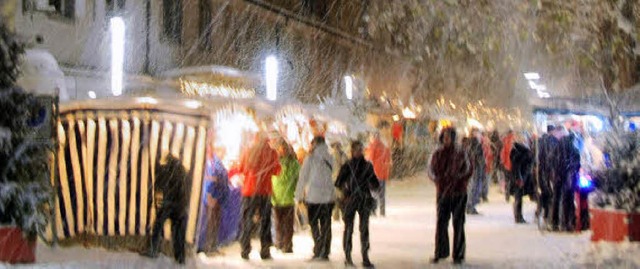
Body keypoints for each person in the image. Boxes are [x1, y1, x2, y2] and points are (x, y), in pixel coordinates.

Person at [429, 127, 473, 265]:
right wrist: (439, 181)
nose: (446, 140)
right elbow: (431, 170)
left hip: (458, 193)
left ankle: (458, 254)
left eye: (448, 137)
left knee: (458, 223)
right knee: (441, 223)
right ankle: (440, 251)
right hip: (443, 193)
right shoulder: (437, 153)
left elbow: (469, 169)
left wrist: (458, 179)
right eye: (444, 137)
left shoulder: (461, 153)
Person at [335, 141, 380, 268]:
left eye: (360, 150)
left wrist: (348, 188)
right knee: (351, 228)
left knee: (362, 229)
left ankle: (364, 256)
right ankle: (349, 256)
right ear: (352, 151)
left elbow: (375, 184)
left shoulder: (356, 166)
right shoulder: (351, 166)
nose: (359, 152)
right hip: (354, 200)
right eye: (357, 150)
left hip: (359, 200)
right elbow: (338, 182)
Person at [238, 133, 282, 260]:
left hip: (249, 191)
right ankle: (265, 250)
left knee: (247, 220)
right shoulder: (271, 153)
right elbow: (277, 171)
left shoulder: (248, 151)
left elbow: (241, 169)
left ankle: (245, 249)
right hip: (265, 191)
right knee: (265, 221)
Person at [142, 155, 190, 264]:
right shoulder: (182, 171)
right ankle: (180, 257)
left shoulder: (166, 171)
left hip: (169, 204)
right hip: (180, 206)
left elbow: (160, 185)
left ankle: (153, 249)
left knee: (158, 226)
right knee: (178, 233)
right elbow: (185, 190)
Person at [295, 136, 336, 261]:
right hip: (328, 197)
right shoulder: (330, 156)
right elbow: (334, 173)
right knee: (326, 224)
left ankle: (318, 247)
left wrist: (299, 195)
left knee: (313, 224)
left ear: (314, 144)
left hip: (314, 197)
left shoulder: (310, 158)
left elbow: (303, 177)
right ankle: (325, 251)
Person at [196, 142, 229, 255]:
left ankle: (211, 246)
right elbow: (211, 180)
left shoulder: (215, 163)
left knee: (213, 223)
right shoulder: (210, 163)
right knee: (210, 223)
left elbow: (218, 179)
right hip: (211, 198)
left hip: (215, 197)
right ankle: (208, 246)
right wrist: (210, 195)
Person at [271, 139, 300, 253]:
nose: (282, 151)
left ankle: (285, 244)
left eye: (283, 149)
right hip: (278, 197)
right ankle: (282, 243)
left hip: (286, 197)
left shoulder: (290, 163)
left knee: (285, 223)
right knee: (280, 223)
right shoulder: (292, 163)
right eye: (280, 149)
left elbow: (290, 178)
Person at [536, 125, 559, 228]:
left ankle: (541, 212)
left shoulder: (541, 141)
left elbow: (539, 157)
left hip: (542, 171)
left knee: (544, 194)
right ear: (553, 131)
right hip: (548, 172)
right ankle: (548, 217)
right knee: (550, 195)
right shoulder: (552, 141)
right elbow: (551, 157)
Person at [558, 131, 581, 231]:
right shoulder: (574, 150)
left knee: (564, 200)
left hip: (563, 178)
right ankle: (570, 222)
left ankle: (563, 222)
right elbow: (577, 164)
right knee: (570, 200)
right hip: (571, 178)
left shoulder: (560, 149)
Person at [365, 132, 392, 217]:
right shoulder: (384, 147)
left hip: (374, 173)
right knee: (382, 193)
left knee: (373, 193)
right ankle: (382, 211)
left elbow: (369, 159)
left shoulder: (372, 147)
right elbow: (388, 161)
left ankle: (373, 210)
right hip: (383, 173)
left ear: (373, 137)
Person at [510, 140, 535, 224]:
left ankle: (518, 215)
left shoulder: (518, 151)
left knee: (518, 197)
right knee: (518, 197)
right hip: (520, 178)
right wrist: (519, 178)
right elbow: (517, 167)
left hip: (522, 177)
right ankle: (518, 216)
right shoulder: (521, 152)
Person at [466, 129, 485, 214]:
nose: (480, 135)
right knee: (474, 188)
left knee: (474, 187)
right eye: (478, 133)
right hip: (475, 169)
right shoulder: (474, 144)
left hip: (474, 168)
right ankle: (470, 206)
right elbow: (475, 156)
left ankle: (470, 206)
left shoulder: (473, 143)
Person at [331, 142, 348, 220]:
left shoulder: (330, 156)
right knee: (341, 197)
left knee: (336, 197)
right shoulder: (343, 155)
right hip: (341, 180)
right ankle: (342, 213)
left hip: (334, 180)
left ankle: (336, 214)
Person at [500, 130, 516, 202]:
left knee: (507, 180)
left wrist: (503, 162)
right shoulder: (514, 142)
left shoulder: (505, 142)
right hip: (514, 165)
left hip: (507, 165)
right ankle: (514, 194)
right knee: (514, 180)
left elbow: (503, 154)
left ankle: (507, 194)